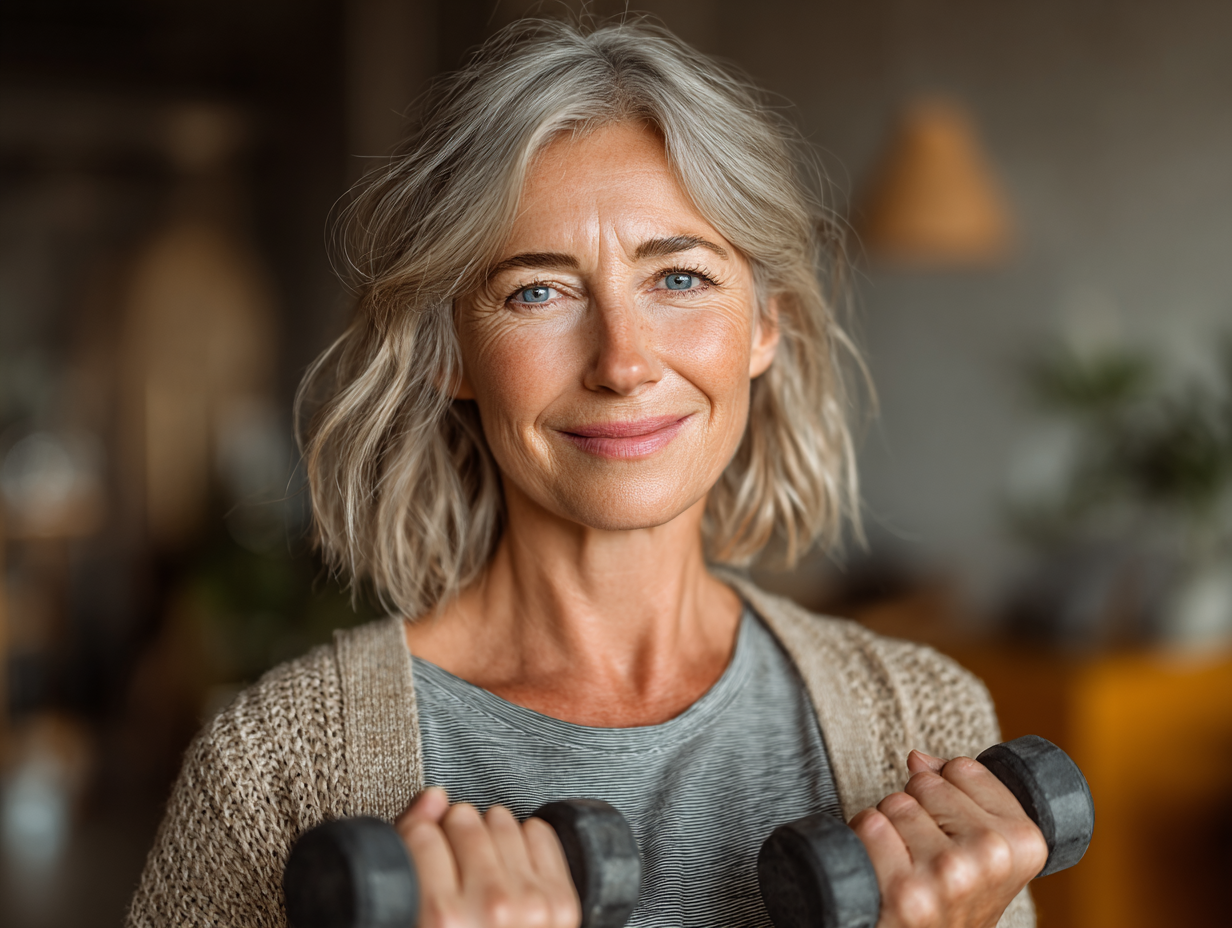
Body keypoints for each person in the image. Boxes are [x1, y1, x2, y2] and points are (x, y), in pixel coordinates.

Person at [128, 18, 1044, 928]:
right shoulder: (277, 767)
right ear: (450, 353)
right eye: (539, 291)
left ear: (768, 326)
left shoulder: (923, 721)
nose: (623, 362)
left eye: (679, 277)